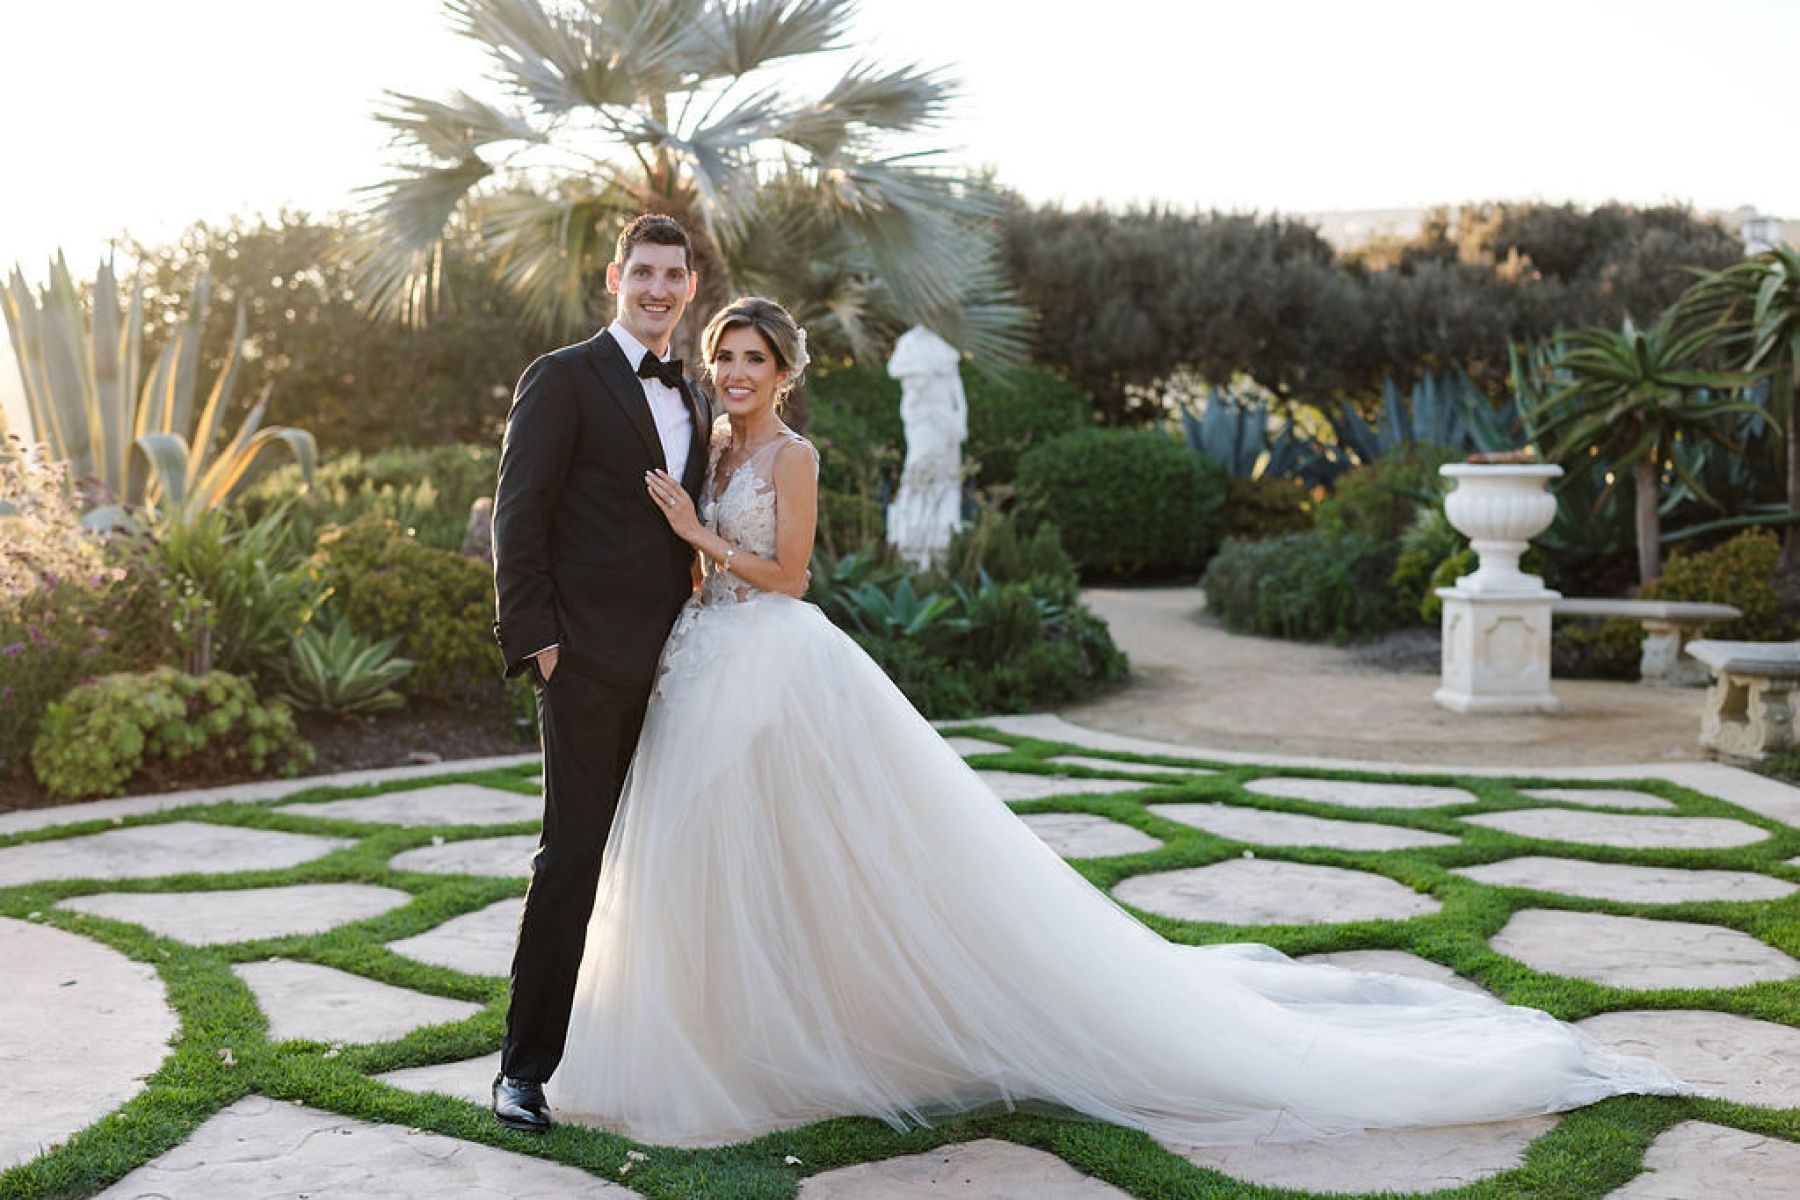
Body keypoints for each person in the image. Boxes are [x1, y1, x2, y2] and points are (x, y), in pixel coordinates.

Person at [548, 295, 1683, 1148]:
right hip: (705, 661)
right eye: (725, 358)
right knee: (740, 855)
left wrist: (698, 537)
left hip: (780, 662)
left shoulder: (791, 456)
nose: (735, 373)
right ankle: (743, 1029)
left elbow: (792, 577)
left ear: (786, 372)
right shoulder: (710, 444)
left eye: (754, 359)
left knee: (822, 850)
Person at [487, 214, 721, 1133]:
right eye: (644, 272)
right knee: (572, 858)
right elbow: (519, 515)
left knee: (672, 856)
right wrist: (540, 642)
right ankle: (523, 1070)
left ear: (690, 288)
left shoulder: (696, 395)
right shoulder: (562, 376)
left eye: (674, 276)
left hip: (679, 666)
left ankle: (666, 1048)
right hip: (584, 664)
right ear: (616, 277)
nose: (658, 290)